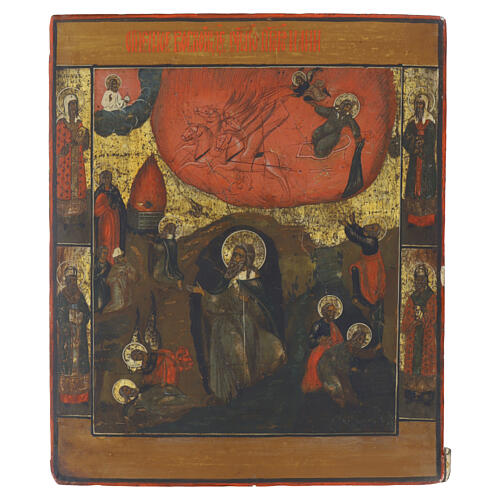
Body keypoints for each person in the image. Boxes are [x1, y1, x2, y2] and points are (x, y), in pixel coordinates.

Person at [190, 236, 285, 403]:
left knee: (274, 347)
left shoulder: (252, 278)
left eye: (241, 256)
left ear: (248, 258)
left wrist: (249, 301)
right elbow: (217, 302)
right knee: (235, 348)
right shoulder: (226, 278)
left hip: (248, 323)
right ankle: (238, 392)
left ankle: (256, 389)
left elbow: (261, 307)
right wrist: (204, 294)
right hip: (227, 323)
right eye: (235, 254)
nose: (236, 259)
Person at [308, 98, 365, 197]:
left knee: (321, 147)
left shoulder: (347, 118)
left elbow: (354, 126)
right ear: (342, 105)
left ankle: (324, 151)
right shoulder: (333, 111)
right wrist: (315, 106)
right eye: (345, 106)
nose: (346, 109)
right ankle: (319, 148)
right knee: (315, 134)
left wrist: (357, 136)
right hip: (323, 130)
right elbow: (323, 110)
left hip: (334, 135)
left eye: (348, 108)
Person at [344, 217, 386, 349]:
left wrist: (347, 226)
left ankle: (358, 296)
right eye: (372, 225)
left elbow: (356, 237)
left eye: (373, 227)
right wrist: (353, 224)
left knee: (367, 287)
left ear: (375, 234)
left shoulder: (371, 242)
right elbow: (361, 232)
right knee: (355, 270)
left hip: (370, 268)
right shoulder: (369, 239)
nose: (369, 226)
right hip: (369, 264)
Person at [401, 264, 437, 405]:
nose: (420, 282)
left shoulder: (432, 297)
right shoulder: (412, 298)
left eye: (422, 279)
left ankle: (426, 392)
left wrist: (423, 318)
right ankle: (412, 391)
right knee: (413, 363)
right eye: (418, 279)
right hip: (414, 335)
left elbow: (433, 316)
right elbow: (406, 319)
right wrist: (412, 323)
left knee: (425, 363)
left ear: (427, 280)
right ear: (414, 280)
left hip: (426, 335)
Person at [56, 266, 91, 404]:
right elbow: (59, 314)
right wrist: (66, 324)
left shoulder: (80, 295)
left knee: (81, 364)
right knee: (68, 364)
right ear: (66, 281)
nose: (72, 283)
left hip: (79, 333)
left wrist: (82, 316)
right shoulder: (62, 295)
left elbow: (87, 312)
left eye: (74, 280)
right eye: (70, 280)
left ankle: (82, 397)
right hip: (68, 335)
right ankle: (66, 398)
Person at [317, 329, 377, 407]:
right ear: (353, 337)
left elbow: (362, 354)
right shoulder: (346, 347)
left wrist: (374, 351)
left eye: (362, 340)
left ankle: (349, 401)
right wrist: (350, 369)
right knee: (339, 387)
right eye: (359, 338)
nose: (360, 341)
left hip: (336, 368)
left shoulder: (353, 348)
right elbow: (340, 367)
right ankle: (344, 402)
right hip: (327, 367)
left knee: (346, 383)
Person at [402, 93, 437, 227]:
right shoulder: (412, 122)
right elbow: (406, 139)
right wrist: (414, 145)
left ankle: (428, 219)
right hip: (414, 159)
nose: (419, 107)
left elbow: (431, 141)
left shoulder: (430, 122)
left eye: (421, 104)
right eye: (417, 104)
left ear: (426, 105)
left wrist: (423, 148)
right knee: (413, 187)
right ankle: (413, 219)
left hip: (426, 161)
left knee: (426, 187)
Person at [56, 93, 89, 221]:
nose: (74, 107)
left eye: (75, 104)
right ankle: (65, 214)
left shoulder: (79, 123)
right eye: (71, 105)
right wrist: (69, 145)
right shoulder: (61, 123)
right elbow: (58, 144)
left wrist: (86, 137)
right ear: (66, 106)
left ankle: (78, 214)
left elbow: (84, 145)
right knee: (66, 182)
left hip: (77, 159)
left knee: (78, 184)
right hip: (66, 161)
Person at [301, 299, 344, 393]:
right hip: (319, 350)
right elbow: (310, 342)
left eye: (334, 312)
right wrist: (320, 340)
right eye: (329, 311)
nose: (332, 314)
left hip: (333, 349)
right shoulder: (318, 325)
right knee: (315, 363)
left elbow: (340, 341)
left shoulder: (334, 326)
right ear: (324, 312)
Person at [94, 170, 127, 264]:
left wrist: (115, 205)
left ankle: (113, 259)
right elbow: (95, 209)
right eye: (104, 178)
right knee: (105, 239)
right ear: (101, 179)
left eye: (108, 178)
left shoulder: (115, 191)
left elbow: (120, 205)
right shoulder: (99, 191)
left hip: (114, 220)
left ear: (111, 179)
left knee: (114, 239)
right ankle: (104, 259)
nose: (106, 180)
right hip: (104, 221)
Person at [148, 222, 184, 289]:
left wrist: (153, 245)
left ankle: (176, 281)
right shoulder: (172, 241)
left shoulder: (168, 241)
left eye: (166, 229)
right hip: (168, 261)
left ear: (168, 231)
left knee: (156, 276)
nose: (164, 231)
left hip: (165, 262)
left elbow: (160, 248)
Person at [103, 248, 138, 313]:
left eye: (121, 257)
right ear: (116, 259)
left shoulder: (127, 266)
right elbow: (108, 280)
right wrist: (117, 278)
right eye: (118, 258)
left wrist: (128, 274)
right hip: (117, 289)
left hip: (126, 288)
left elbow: (134, 277)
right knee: (118, 304)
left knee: (127, 303)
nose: (120, 259)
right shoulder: (114, 268)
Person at [94, 246, 111, 313]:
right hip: (97, 288)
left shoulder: (109, 266)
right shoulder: (94, 264)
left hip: (106, 288)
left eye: (106, 253)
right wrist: (100, 274)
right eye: (104, 252)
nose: (105, 254)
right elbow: (92, 278)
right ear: (99, 253)